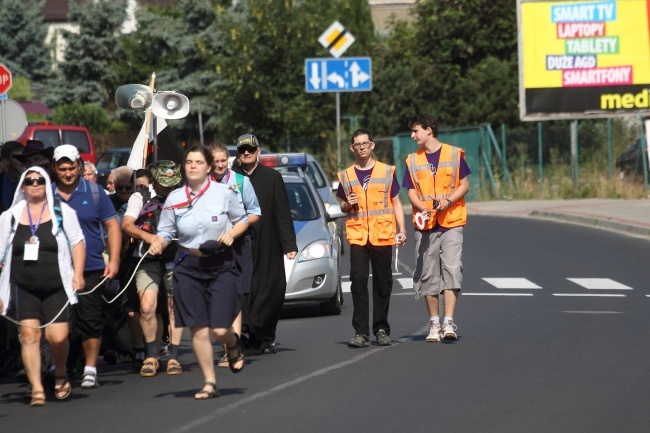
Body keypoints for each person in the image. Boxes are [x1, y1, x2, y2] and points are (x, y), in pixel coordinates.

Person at [149, 145, 248, 400]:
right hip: (189, 266)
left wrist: (231, 234)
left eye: (198, 162)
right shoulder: (174, 198)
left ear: (207, 167)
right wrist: (159, 242)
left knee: (218, 328)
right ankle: (209, 382)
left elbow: (243, 220)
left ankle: (233, 343)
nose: (193, 166)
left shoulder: (224, 193)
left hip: (221, 264)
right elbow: (166, 232)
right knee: (198, 329)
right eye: (189, 162)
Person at [0, 166, 86, 407]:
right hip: (23, 285)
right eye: (29, 181)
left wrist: (78, 274)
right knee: (29, 336)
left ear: (46, 184)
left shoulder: (62, 212)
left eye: (39, 180)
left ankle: (59, 373)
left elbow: (77, 242)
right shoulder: (10, 217)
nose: (34, 184)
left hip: (56, 285)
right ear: (23, 186)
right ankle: (37, 387)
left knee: (57, 338)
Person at [51, 145, 121, 389]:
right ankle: (62, 364)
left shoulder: (94, 192)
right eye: (62, 169)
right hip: (56, 270)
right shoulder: (46, 194)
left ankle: (90, 367)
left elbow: (112, 226)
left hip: (91, 267)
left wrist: (113, 260)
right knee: (61, 323)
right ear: (54, 169)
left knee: (90, 320)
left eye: (72, 168)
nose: (68, 173)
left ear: (79, 166)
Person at [403, 114, 470, 342]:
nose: (412, 136)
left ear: (428, 130)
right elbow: (410, 191)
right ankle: (434, 324)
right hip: (426, 224)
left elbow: (464, 184)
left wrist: (449, 201)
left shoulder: (454, 153)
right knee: (427, 274)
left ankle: (448, 322)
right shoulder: (412, 160)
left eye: (415, 131)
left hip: (451, 221)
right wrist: (422, 207)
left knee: (452, 269)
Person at [337, 129, 407, 348]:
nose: (362, 147)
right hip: (358, 235)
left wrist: (401, 230)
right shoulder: (346, 175)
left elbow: (396, 202)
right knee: (357, 280)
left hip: (383, 234)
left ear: (372, 145)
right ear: (352, 148)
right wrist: (347, 203)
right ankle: (361, 332)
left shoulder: (386, 171)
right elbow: (342, 205)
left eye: (365, 143)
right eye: (357, 144)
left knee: (382, 282)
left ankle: (381, 329)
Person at [232, 134, 297, 354]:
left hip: (268, 243)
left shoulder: (272, 178)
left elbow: (282, 214)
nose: (247, 153)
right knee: (243, 290)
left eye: (251, 149)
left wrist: (289, 245)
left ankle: (266, 336)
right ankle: (245, 332)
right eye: (242, 150)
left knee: (272, 289)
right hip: (240, 244)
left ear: (259, 151)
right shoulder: (231, 180)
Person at [122, 160, 184, 377]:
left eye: (172, 183)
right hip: (147, 259)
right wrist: (150, 238)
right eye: (164, 183)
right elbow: (127, 225)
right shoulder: (139, 197)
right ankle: (151, 355)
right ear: (154, 180)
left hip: (175, 258)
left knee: (174, 306)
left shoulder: (183, 197)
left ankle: (174, 356)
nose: (168, 188)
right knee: (147, 308)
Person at [208, 142, 261, 367]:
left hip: (238, 246)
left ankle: (232, 348)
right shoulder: (201, 183)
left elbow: (255, 212)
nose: (220, 165)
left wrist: (234, 230)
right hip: (211, 248)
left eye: (223, 161)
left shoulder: (241, 182)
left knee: (234, 296)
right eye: (216, 161)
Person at [1, 141, 25, 213]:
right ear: (6, 161)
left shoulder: (28, 180)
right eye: (17, 157)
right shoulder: (2, 180)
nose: (22, 160)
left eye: (24, 156)